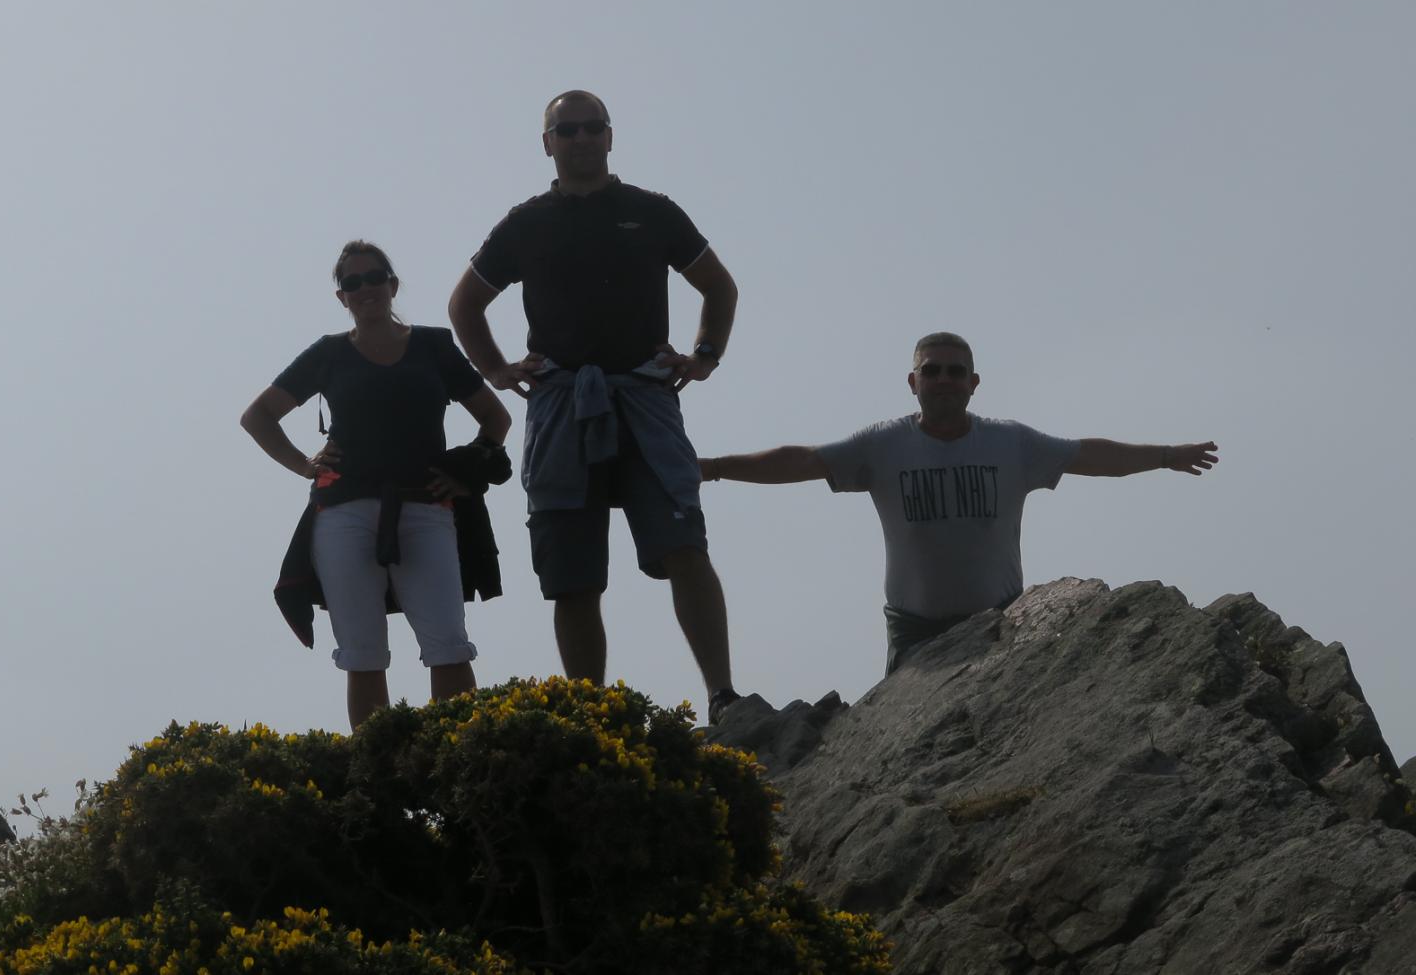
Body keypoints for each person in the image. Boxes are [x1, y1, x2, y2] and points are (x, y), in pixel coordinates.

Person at [447, 89, 746, 723]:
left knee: (684, 544)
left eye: (592, 128)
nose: (580, 138)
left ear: (611, 137)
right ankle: (591, 716)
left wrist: (706, 354)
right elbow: (464, 304)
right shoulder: (525, 223)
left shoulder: (652, 211)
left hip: (644, 394)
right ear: (547, 143)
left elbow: (718, 285)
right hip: (561, 404)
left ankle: (722, 696)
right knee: (573, 573)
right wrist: (496, 370)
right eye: (567, 129)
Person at [699, 331, 1219, 673]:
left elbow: (1091, 455)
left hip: (999, 624)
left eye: (954, 371)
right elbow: (799, 461)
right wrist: (714, 468)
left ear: (973, 384)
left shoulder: (1010, 442)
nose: (943, 380)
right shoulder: (881, 445)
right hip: (915, 636)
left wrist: (1168, 455)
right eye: (933, 370)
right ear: (913, 382)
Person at [242, 241, 513, 729]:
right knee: (363, 653)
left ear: (392, 285)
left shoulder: (433, 345)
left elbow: (496, 417)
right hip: (343, 513)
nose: (364, 289)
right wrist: (305, 464)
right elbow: (258, 416)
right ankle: (378, 785)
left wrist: (467, 467)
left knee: (449, 643)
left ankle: (463, 769)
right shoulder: (327, 354)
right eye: (352, 283)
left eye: (374, 278)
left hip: (426, 508)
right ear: (341, 297)